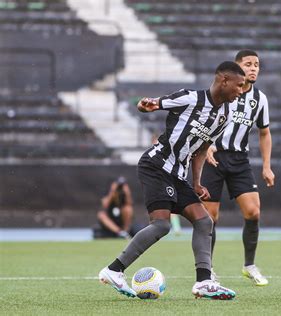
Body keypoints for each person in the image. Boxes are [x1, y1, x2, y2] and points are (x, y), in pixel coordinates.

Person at [98, 61, 246, 300]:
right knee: (162, 225)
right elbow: (151, 104)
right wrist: (145, 106)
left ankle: (203, 282)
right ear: (224, 81)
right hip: (156, 165)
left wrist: (196, 183)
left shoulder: (224, 116)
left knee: (204, 222)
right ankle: (114, 270)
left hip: (177, 174)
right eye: (239, 85)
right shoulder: (189, 98)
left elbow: (202, 149)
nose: (241, 90)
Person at [201, 49, 274, 286]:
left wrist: (267, 166)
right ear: (237, 66)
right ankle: (208, 269)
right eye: (248, 64)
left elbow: (264, 133)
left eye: (257, 64)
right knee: (209, 217)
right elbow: (203, 119)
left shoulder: (260, 99)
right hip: (213, 159)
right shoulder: (223, 92)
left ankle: (249, 265)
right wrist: (207, 144)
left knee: (253, 211)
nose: (253, 68)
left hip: (240, 160)